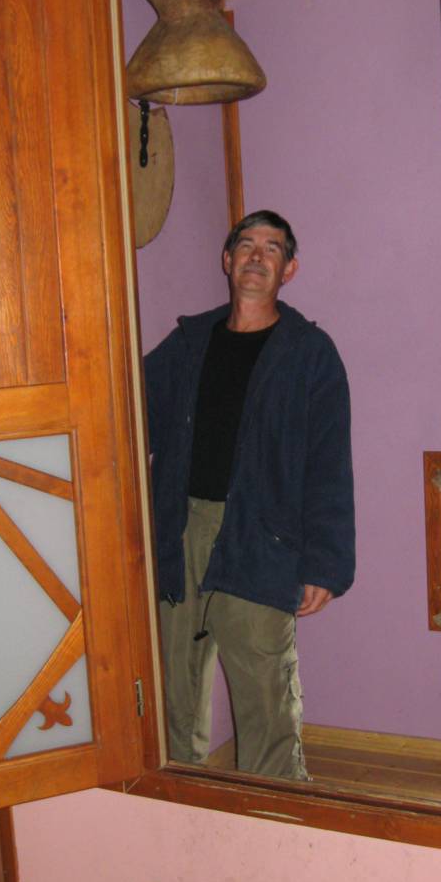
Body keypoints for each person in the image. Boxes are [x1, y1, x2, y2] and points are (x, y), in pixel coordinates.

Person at [144, 210, 354, 780]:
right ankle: (184, 796)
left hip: (263, 537)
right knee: (174, 683)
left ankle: (276, 804)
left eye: (272, 248)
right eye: (246, 245)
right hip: (180, 532)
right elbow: (131, 414)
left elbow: (329, 463)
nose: (257, 256)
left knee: (265, 689)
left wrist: (325, 562)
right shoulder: (189, 343)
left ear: (289, 270)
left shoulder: (309, 353)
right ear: (227, 260)